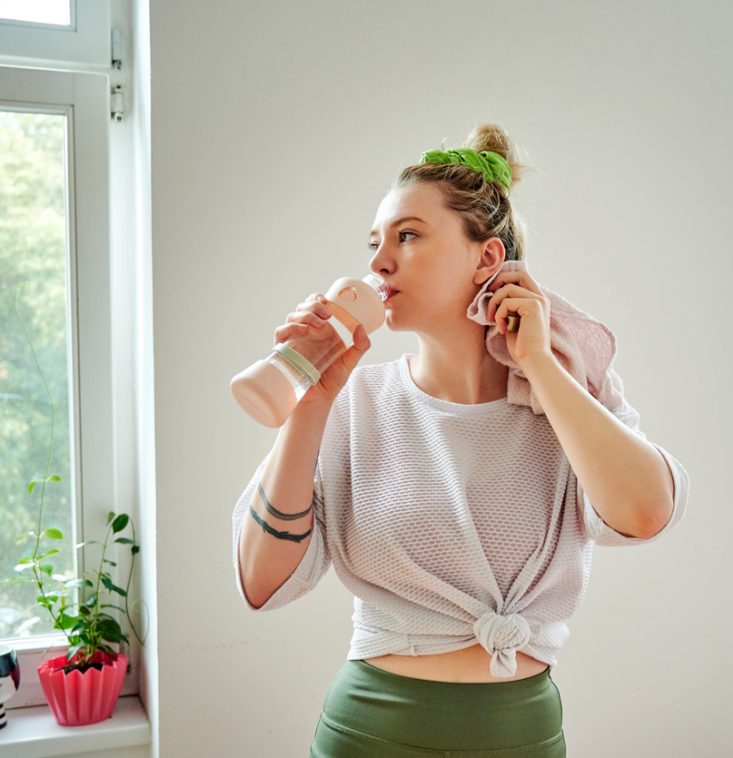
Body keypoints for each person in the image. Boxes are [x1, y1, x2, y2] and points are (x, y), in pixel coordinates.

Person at [231, 123, 690, 757]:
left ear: (487, 257)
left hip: (520, 733)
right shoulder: (356, 404)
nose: (378, 262)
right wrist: (309, 405)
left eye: (408, 235)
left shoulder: (568, 392)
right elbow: (260, 583)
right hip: (371, 730)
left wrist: (541, 365)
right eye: (376, 241)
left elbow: (644, 514)